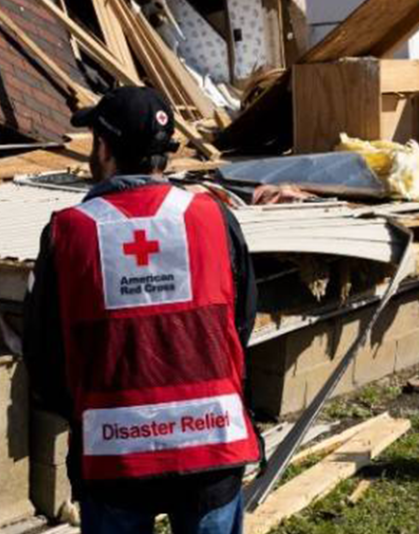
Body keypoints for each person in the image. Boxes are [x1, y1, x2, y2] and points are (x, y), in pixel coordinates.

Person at [24, 87, 259, 534]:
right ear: (163, 155)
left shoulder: (69, 233)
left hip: (114, 456)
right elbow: (241, 321)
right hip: (212, 447)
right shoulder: (214, 217)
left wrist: (81, 411)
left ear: (104, 149)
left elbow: (44, 352)